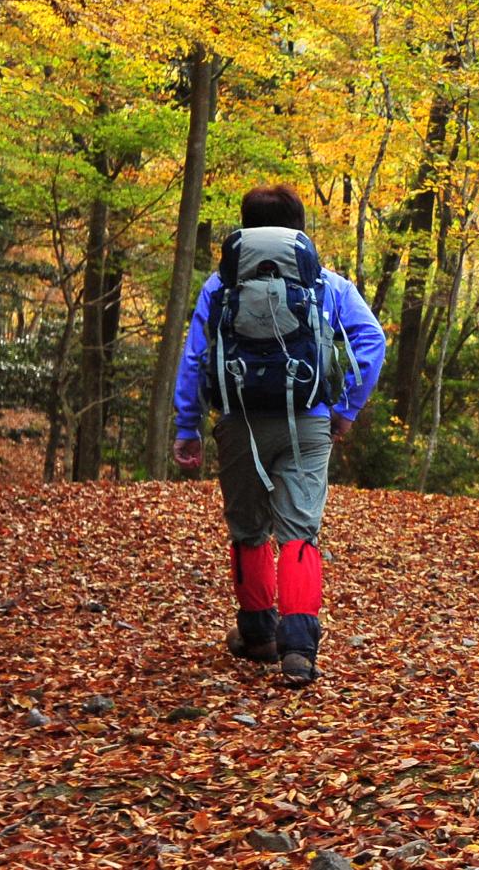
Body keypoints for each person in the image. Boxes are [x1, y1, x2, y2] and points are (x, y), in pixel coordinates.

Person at [171, 184, 386, 687]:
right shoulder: (327, 284)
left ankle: (258, 634)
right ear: (299, 228)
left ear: (245, 226)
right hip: (308, 419)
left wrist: (188, 425)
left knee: (248, 529)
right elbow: (370, 340)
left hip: (238, 419)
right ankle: (299, 651)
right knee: (300, 531)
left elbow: (196, 358)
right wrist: (345, 408)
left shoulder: (218, 286)